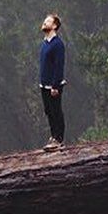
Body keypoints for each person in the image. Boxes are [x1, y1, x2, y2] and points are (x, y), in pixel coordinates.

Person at [39, 13, 66, 149]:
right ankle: (53, 136)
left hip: (54, 86)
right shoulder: (45, 43)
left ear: (55, 25)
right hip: (44, 85)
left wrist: (55, 85)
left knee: (56, 111)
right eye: (44, 21)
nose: (44, 23)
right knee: (48, 111)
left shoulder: (58, 44)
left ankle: (59, 139)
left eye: (48, 21)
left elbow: (58, 66)